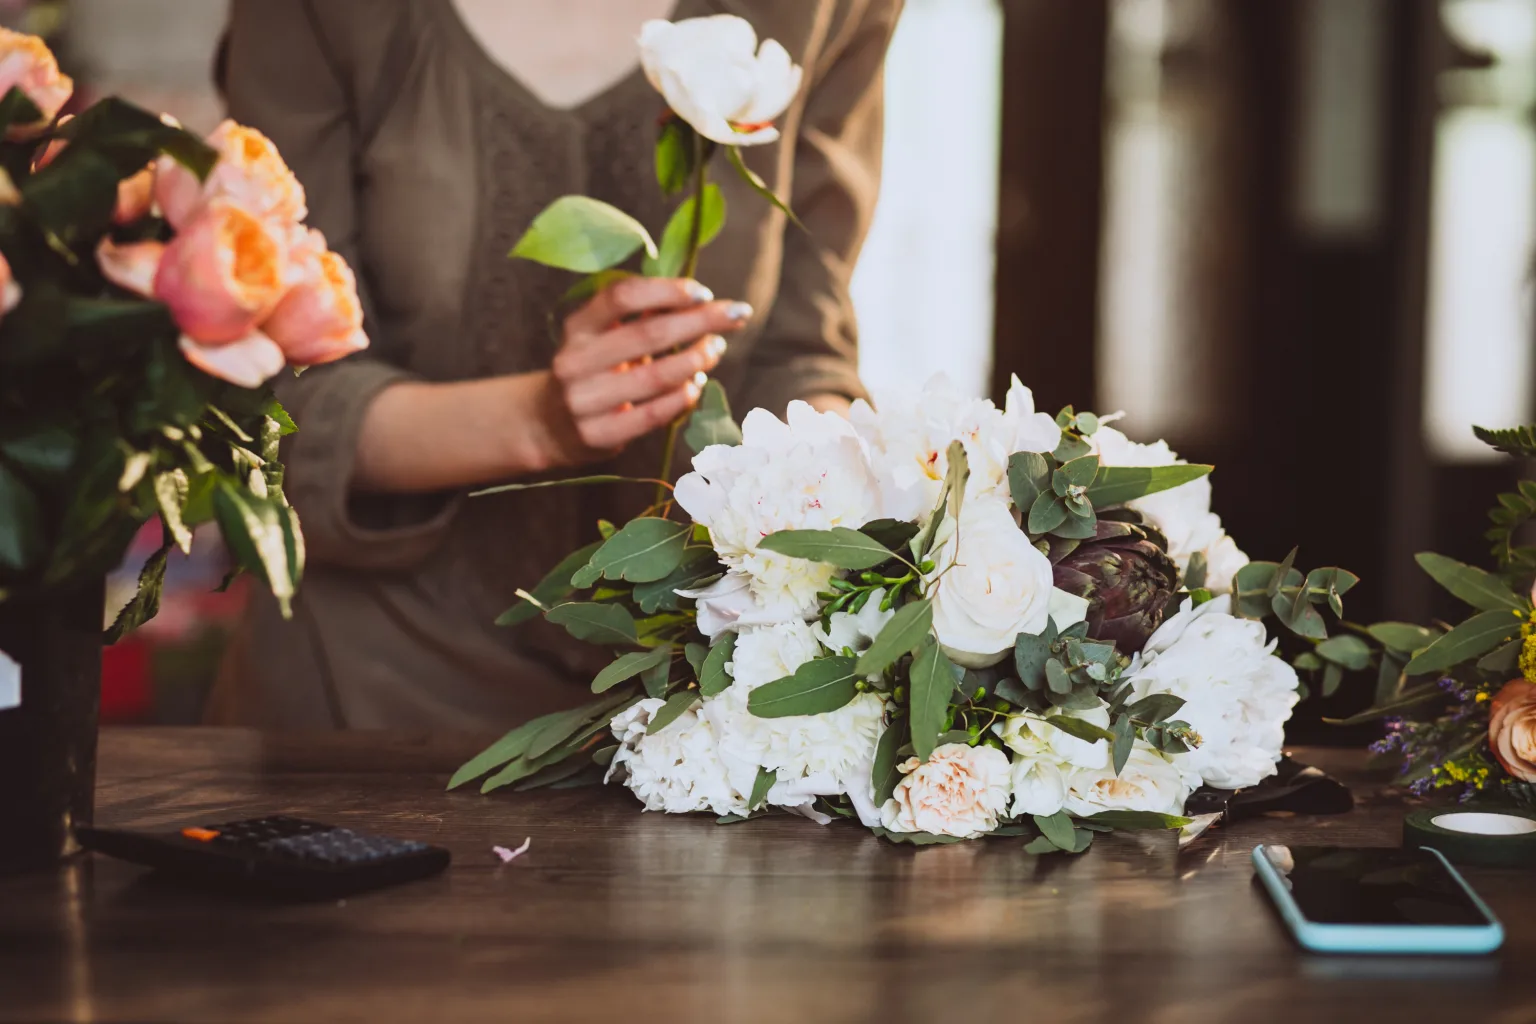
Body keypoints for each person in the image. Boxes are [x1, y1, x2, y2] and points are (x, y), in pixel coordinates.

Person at [205, 0, 901, 731]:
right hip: (361, 692)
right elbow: (271, 412)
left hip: (704, 702)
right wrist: (539, 420)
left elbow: (799, 353)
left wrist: (872, 506)